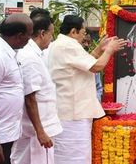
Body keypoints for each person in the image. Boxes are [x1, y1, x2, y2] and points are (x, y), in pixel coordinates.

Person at [47, 15, 126, 164]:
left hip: (70, 112)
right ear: (73, 31)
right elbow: (96, 67)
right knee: (74, 158)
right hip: (72, 115)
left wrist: (99, 49)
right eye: (83, 33)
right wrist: (109, 50)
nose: (84, 37)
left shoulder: (62, 44)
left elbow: (86, 63)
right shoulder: (68, 45)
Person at [0, 14, 33, 164]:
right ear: (19, 36)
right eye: (28, 37)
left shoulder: (8, 53)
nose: (28, 41)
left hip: (5, 134)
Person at [10, 13, 62, 164]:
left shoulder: (35, 54)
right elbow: (30, 97)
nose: (51, 39)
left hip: (39, 127)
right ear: (42, 33)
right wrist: (40, 132)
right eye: (51, 34)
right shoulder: (29, 57)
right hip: (36, 131)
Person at [82, 32, 103, 102]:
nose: (86, 45)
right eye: (83, 41)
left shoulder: (92, 60)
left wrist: (95, 101)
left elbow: (98, 87)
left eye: (88, 42)